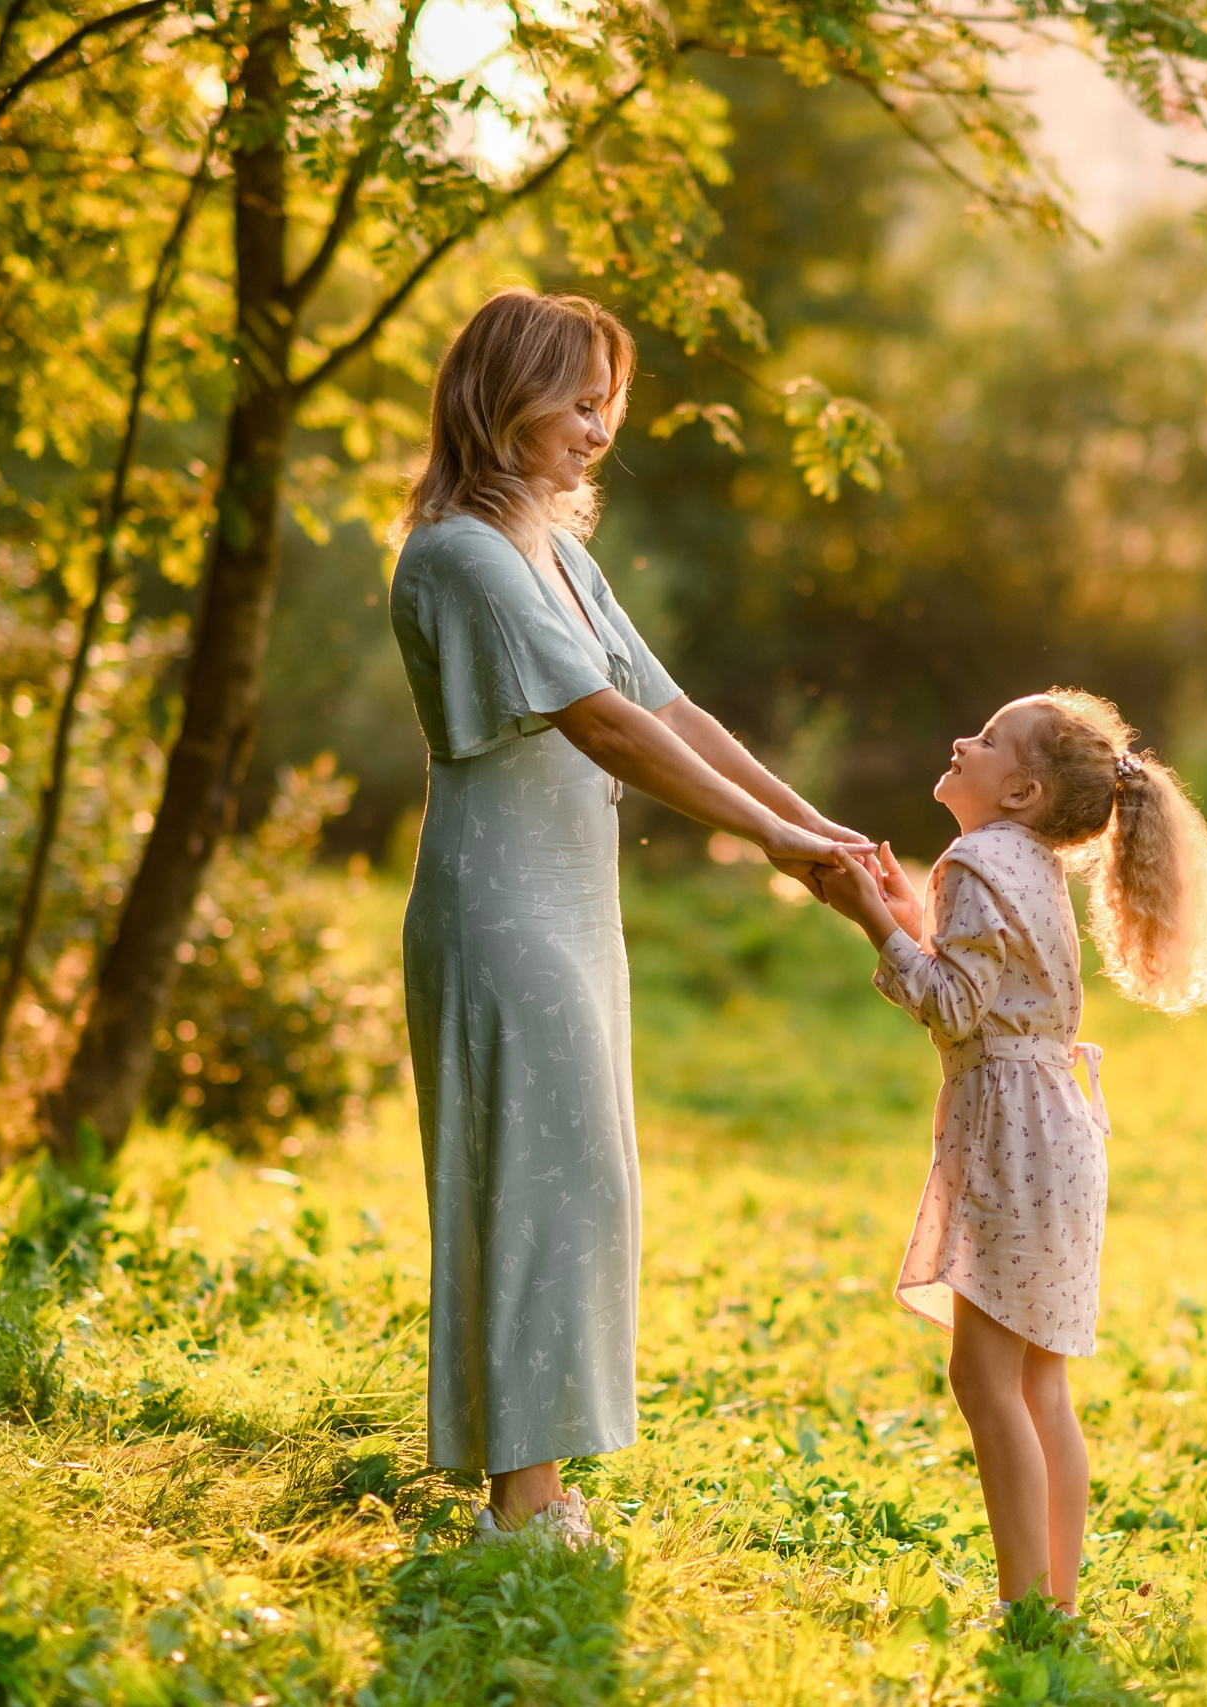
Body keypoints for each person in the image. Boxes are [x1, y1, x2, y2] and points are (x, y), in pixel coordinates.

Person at [389, 288, 868, 1541]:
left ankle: (536, 1485)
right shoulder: (461, 554)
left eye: (611, 403)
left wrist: (810, 828)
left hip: (570, 906)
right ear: (504, 399)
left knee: (581, 1180)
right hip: (498, 908)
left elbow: (666, 709)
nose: (600, 428)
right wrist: (768, 840)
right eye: (578, 400)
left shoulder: (553, 548)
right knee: (532, 1182)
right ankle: (520, 1504)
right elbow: (596, 724)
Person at [816, 690, 1207, 1611]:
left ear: (1023, 789)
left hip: (1012, 1131)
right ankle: (1054, 1601)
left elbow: (958, 1007)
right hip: (1059, 1128)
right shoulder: (1030, 861)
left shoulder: (974, 858)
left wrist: (874, 921)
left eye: (991, 739)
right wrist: (910, 920)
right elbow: (989, 988)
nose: (964, 739)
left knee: (983, 1373)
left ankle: (1025, 1604)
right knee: (1038, 1376)